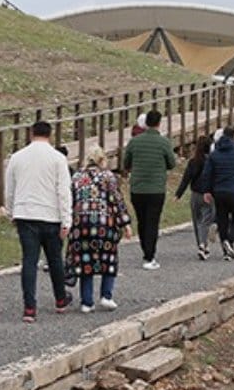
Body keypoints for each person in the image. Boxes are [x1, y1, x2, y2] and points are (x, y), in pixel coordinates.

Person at [5, 121, 73, 323]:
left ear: (31, 133)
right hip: (51, 215)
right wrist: (66, 220)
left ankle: (29, 307)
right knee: (55, 259)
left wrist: (11, 213)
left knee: (29, 260)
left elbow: (10, 189)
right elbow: (63, 191)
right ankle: (60, 298)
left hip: (25, 213)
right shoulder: (58, 158)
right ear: (50, 135)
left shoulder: (17, 157)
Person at [67, 146, 132, 313]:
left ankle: (86, 302)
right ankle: (106, 296)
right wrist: (125, 223)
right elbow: (117, 201)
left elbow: (70, 201)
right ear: (102, 159)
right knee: (109, 259)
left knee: (85, 262)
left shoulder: (76, 177)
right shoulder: (108, 177)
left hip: (80, 225)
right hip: (105, 224)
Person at [123, 110, 177, 270]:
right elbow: (172, 163)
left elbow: (126, 163)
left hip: (138, 188)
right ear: (159, 123)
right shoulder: (164, 142)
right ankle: (149, 255)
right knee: (152, 221)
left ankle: (145, 249)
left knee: (141, 220)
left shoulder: (135, 141)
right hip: (156, 188)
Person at [197, 127, 234, 260]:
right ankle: (230, 240)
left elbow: (207, 174)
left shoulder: (214, 154)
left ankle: (227, 252)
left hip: (218, 191)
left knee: (223, 219)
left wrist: (206, 190)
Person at [174, 136, 215, 261]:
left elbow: (186, 178)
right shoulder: (212, 161)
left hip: (195, 194)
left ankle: (200, 244)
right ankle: (204, 244)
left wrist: (178, 194)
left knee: (197, 220)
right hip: (209, 194)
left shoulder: (193, 161)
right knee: (206, 220)